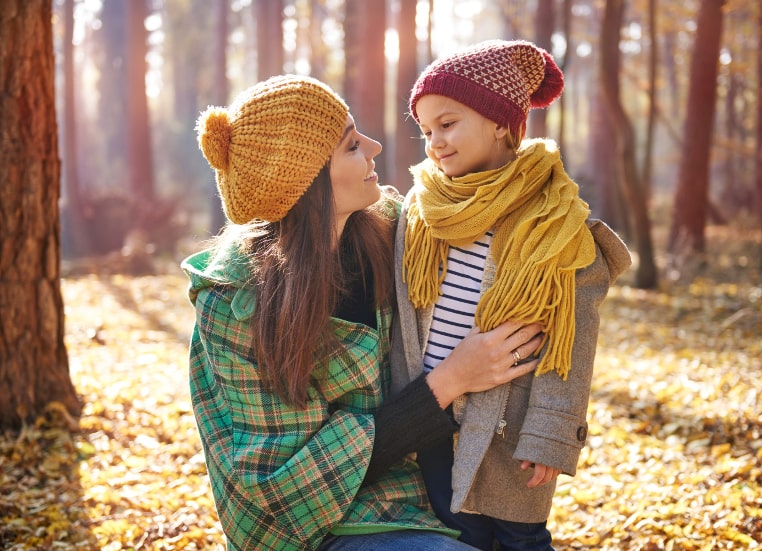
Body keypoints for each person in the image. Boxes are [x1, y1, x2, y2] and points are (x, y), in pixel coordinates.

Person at [181, 74, 546, 550]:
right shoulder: (235, 305)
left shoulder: (395, 234)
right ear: (309, 184)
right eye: (352, 145)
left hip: (422, 493)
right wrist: (452, 379)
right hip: (316, 529)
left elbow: (490, 206)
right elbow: (280, 490)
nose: (374, 146)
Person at [390, 40, 632, 550]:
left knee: (518, 536)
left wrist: (550, 434)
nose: (434, 142)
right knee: (458, 533)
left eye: (448, 124)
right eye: (427, 130)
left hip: (510, 422)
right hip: (433, 408)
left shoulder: (553, 220)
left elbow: (574, 342)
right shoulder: (423, 206)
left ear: (500, 121)